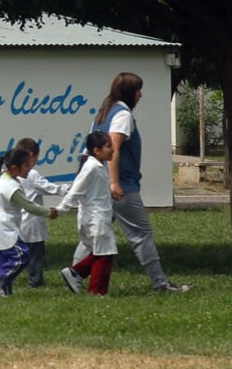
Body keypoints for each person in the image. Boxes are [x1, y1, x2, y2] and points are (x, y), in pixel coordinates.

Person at [79, 71, 190, 292]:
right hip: (121, 187)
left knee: (94, 235)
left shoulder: (103, 113)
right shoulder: (122, 115)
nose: (141, 94)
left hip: (99, 185)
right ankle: (160, 284)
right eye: (138, 89)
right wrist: (115, 183)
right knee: (141, 234)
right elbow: (114, 148)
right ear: (130, 93)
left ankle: (74, 275)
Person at [0, 146, 58, 297]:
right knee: (22, 255)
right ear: (15, 168)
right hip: (4, 225)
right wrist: (49, 212)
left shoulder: (3, 178)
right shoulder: (11, 186)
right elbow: (29, 206)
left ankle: (3, 291)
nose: (29, 169)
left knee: (4, 258)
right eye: (26, 165)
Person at [57, 132, 118, 295]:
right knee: (104, 255)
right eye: (109, 146)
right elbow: (75, 190)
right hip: (95, 218)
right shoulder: (91, 167)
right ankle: (96, 291)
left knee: (102, 253)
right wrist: (62, 209)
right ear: (97, 150)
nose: (113, 150)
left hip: (99, 216)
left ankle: (75, 273)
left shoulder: (99, 165)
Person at [12, 137, 68, 288]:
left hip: (16, 221)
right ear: (31, 155)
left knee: (17, 254)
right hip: (32, 222)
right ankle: (35, 281)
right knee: (35, 255)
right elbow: (52, 188)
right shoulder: (32, 175)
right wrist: (72, 190)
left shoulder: (11, 172)